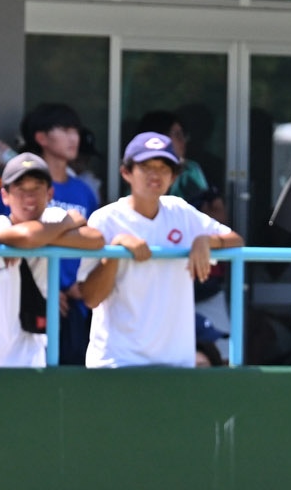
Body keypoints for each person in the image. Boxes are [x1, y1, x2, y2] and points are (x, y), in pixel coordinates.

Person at [81, 132, 242, 369]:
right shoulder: (105, 219)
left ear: (174, 176)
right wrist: (115, 251)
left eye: (164, 168)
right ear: (126, 172)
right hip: (117, 362)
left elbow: (236, 240)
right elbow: (90, 298)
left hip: (176, 362)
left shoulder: (180, 211)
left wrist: (207, 241)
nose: (155, 174)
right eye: (146, 167)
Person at [0, 153, 103, 370]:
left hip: (36, 353)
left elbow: (96, 239)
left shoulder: (52, 218)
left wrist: (43, 236)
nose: (29, 196)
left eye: (37, 188)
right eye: (20, 188)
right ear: (5, 196)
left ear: (50, 193)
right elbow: (27, 236)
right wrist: (66, 224)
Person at [21, 102, 102, 364]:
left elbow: (95, 240)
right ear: (41, 138)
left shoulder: (84, 191)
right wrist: (47, 290)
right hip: (30, 303)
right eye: (65, 130)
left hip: (76, 306)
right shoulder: (19, 189)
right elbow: (7, 238)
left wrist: (82, 284)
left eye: (75, 131)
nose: (73, 138)